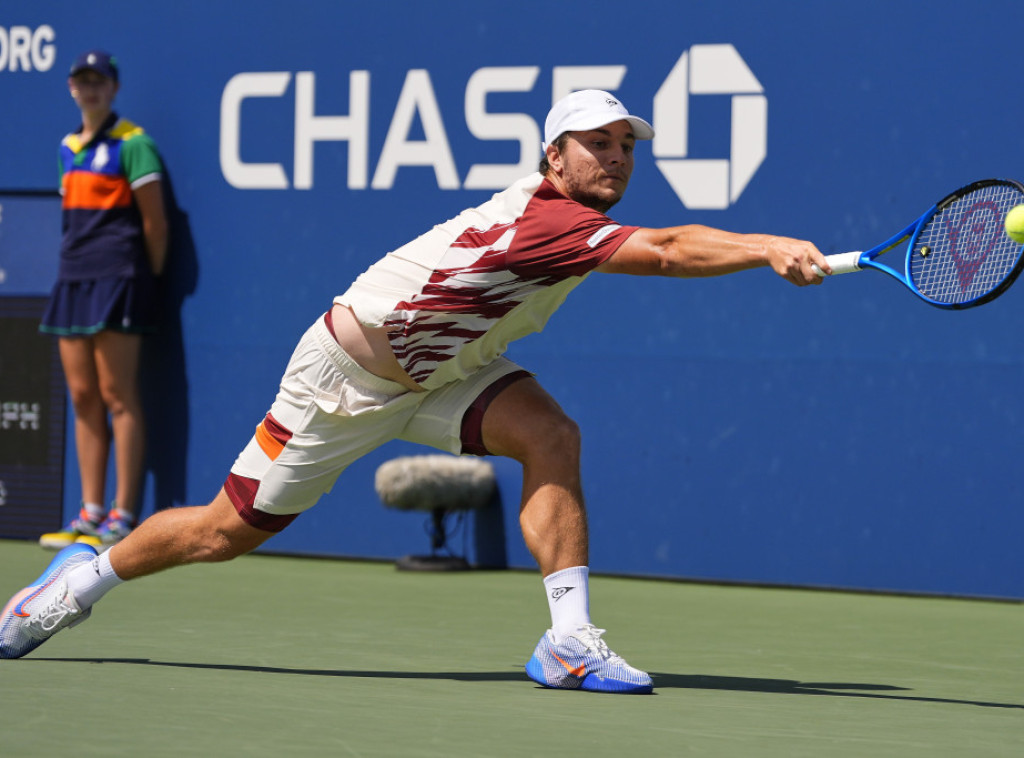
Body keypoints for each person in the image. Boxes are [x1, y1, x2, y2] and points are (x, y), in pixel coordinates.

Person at [0, 90, 828, 692]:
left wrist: (761, 247)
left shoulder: (579, 226)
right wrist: (767, 246)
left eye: (623, 144)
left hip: (443, 371)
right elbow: (674, 248)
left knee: (552, 435)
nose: (614, 156)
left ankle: (569, 641)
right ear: (553, 158)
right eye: (594, 142)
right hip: (342, 381)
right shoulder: (548, 220)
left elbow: (663, 242)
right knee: (224, 531)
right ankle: (80, 583)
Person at [36, 50, 168, 552]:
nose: (90, 89)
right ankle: (90, 513)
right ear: (72, 88)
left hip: (120, 277)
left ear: (113, 88)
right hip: (73, 278)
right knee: (83, 396)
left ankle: (122, 515)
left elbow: (155, 224)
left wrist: (146, 279)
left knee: (117, 395)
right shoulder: (67, 146)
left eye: (99, 81)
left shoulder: (135, 144)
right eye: (82, 81)